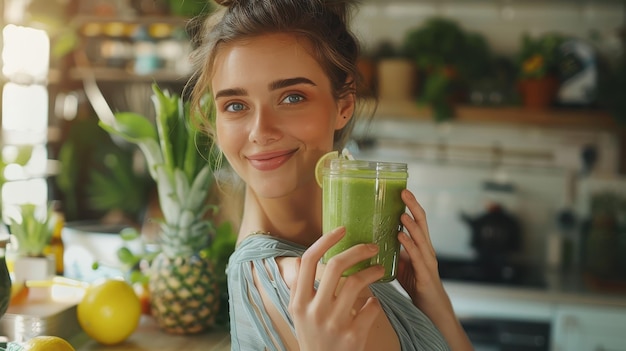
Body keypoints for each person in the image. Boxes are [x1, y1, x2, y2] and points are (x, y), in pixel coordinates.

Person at [188, 0, 473, 350]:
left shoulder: (326, 271)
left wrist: (432, 301)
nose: (261, 131)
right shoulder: (318, 291)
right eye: (235, 105)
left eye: (292, 98)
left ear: (345, 104)